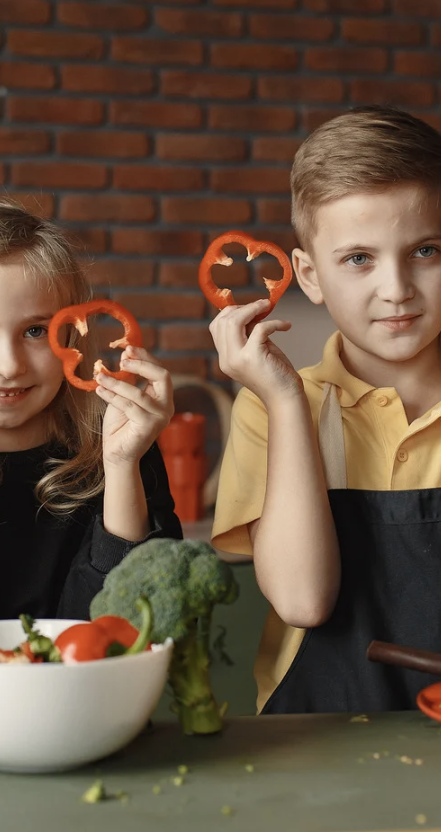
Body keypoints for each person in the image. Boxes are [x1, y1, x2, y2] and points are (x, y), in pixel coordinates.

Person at [209, 105, 441, 714]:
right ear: (309, 276)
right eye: (359, 259)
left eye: (425, 250)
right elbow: (302, 601)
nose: (396, 288)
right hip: (317, 739)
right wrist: (285, 400)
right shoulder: (271, 410)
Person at [0, 202, 182, 630]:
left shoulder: (123, 448)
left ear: (73, 332)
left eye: (35, 331)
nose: (8, 365)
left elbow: (131, 630)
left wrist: (120, 467)